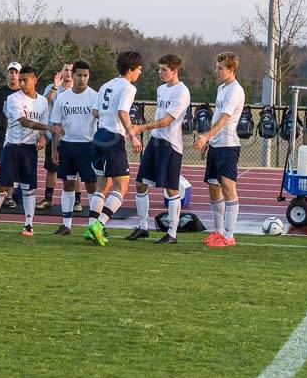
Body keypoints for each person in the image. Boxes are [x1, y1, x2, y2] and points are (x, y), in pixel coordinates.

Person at [0, 66, 62, 236]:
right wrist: (49, 128)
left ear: (35, 80)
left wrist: (43, 137)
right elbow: (25, 122)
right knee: (2, 185)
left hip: (29, 150)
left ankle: (29, 224)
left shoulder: (42, 102)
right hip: (12, 146)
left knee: (28, 187)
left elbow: (42, 128)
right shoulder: (13, 98)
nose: (22, 82)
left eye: (26, 79)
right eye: (20, 79)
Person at [125, 54, 190, 244]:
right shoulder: (161, 89)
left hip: (171, 145)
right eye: (159, 69)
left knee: (171, 189)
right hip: (155, 142)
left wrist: (141, 128)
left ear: (174, 71)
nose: (160, 72)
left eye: (164, 69)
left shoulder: (182, 92)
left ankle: (172, 233)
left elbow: (167, 120)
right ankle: (143, 226)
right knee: (140, 183)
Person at [84, 51, 144, 246]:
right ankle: (99, 225)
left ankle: (90, 226)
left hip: (99, 136)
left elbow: (95, 111)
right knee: (122, 186)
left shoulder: (105, 85)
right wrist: (133, 135)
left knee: (102, 184)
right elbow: (122, 111)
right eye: (139, 69)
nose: (140, 72)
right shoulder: (128, 87)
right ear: (130, 69)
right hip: (112, 138)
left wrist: (107, 118)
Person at [194, 52, 245, 247]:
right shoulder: (221, 89)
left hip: (228, 146)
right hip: (216, 145)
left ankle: (229, 236)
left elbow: (225, 118)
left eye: (220, 68)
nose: (216, 71)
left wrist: (206, 135)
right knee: (213, 188)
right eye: (216, 67)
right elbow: (216, 118)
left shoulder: (235, 91)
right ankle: (218, 232)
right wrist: (209, 140)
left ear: (231, 70)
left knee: (228, 187)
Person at [50, 60, 98, 235]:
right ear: (73, 75)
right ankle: (67, 225)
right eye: (79, 75)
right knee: (68, 184)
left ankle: (94, 225)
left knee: (92, 186)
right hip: (68, 146)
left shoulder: (95, 96)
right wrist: (55, 149)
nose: (82, 79)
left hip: (88, 146)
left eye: (85, 75)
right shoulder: (63, 97)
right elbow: (56, 124)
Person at [38, 63, 74, 210]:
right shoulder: (53, 87)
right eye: (66, 70)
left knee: (73, 171)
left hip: (71, 137)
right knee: (51, 168)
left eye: (72, 70)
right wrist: (54, 86)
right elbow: (44, 102)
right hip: (54, 135)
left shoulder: (78, 89)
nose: (69, 73)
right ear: (61, 72)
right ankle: (48, 198)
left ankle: (77, 201)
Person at [0, 62, 22, 208]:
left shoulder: (22, 93)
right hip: (3, 133)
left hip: (17, 135)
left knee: (12, 167)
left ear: (19, 74)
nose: (13, 75)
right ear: (7, 74)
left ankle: (9, 197)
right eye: (11, 72)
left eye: (16, 72)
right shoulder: (0, 92)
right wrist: (2, 124)